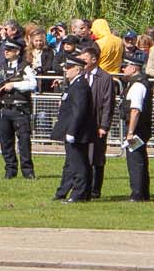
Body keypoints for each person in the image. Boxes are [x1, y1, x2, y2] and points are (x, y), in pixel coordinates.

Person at [0, 37, 38, 179]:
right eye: (5, 49)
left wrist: (14, 85)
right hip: (3, 109)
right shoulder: (1, 68)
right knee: (6, 142)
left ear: (17, 52)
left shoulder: (25, 67)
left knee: (24, 142)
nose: (6, 52)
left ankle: (28, 171)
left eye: (9, 50)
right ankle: (10, 170)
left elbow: (33, 84)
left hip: (20, 110)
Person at [54, 54, 98, 202]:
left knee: (79, 164)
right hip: (74, 130)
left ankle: (79, 194)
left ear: (78, 70)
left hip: (77, 132)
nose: (66, 70)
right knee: (75, 162)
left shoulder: (79, 85)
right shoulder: (74, 84)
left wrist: (72, 131)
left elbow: (79, 110)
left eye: (69, 68)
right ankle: (77, 192)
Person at [83, 43, 116, 198]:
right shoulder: (81, 75)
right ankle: (84, 187)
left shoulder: (105, 78)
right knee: (83, 158)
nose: (82, 62)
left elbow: (108, 103)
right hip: (83, 125)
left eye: (85, 59)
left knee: (97, 158)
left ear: (94, 59)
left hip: (97, 124)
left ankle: (95, 190)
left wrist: (104, 125)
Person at [121, 53, 152, 201]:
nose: (123, 69)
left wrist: (131, 132)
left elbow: (135, 110)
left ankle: (138, 194)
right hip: (140, 127)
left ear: (133, 68)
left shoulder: (138, 84)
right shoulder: (138, 82)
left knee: (135, 161)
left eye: (125, 66)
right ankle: (142, 193)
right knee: (139, 159)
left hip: (136, 128)